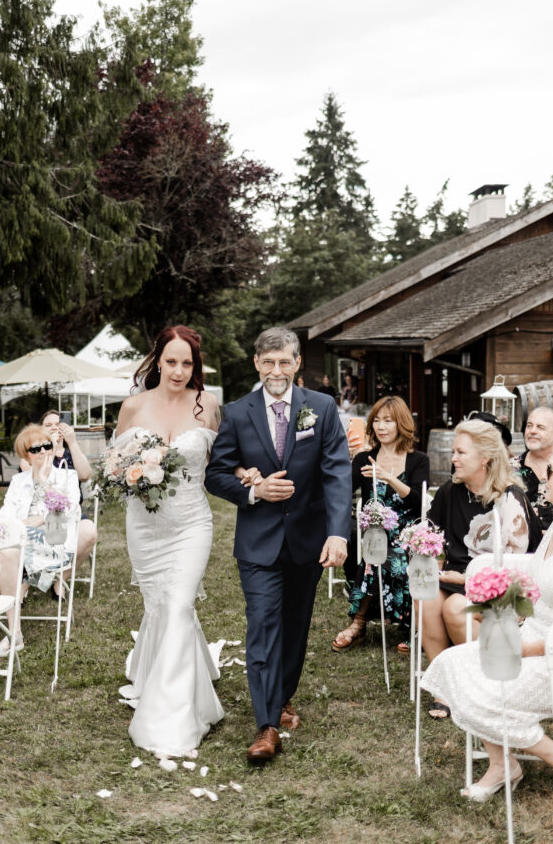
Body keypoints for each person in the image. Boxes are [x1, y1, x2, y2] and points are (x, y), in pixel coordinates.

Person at [204, 327, 351, 762]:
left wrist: (338, 532)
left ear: (297, 362)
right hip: (258, 542)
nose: (276, 370)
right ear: (256, 364)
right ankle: (267, 725)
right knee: (263, 624)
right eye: (268, 362)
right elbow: (217, 474)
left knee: (294, 626)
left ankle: (284, 694)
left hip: (307, 539)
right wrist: (253, 491)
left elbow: (337, 473)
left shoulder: (321, 409)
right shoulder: (236, 412)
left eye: (284, 361)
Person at [421, 440, 553, 799]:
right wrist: (500, 607)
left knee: (485, 687)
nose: (543, 479)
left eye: (550, 472)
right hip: (528, 634)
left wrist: (524, 648)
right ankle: (504, 766)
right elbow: (535, 585)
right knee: (454, 666)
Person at [114, 325, 223, 757]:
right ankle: (170, 675)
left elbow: (219, 465)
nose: (179, 371)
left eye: (187, 363)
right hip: (145, 526)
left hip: (192, 522)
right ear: (157, 360)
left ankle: (171, 718)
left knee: (179, 605)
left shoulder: (207, 405)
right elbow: (115, 467)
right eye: (172, 361)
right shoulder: (132, 407)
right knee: (159, 606)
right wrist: (134, 473)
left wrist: (245, 476)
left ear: (194, 367)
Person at [422, 418, 541, 719]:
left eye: (461, 453)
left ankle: (486, 683)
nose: (453, 459)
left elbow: (519, 568)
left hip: (499, 590)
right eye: (453, 452)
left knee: (454, 608)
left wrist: (465, 579)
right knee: (426, 598)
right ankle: (444, 687)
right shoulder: (450, 491)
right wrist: (434, 570)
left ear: (485, 458)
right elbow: (432, 540)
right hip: (453, 579)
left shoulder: (510, 499)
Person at [331, 397, 429, 653]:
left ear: (402, 424)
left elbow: (420, 503)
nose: (381, 426)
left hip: (409, 534)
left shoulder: (418, 460)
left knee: (388, 556)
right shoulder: (365, 458)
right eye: (376, 420)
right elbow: (342, 492)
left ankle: (387, 624)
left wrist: (388, 477)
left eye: (388, 421)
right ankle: (362, 623)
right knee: (376, 552)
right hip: (375, 532)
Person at [0, 424, 81, 657]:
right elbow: (5, 517)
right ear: (25, 454)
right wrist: (30, 522)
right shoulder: (18, 481)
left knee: (1, 549)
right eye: (35, 448)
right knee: (8, 551)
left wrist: (43, 482)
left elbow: (63, 514)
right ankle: (15, 634)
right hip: (17, 543)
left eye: (46, 446)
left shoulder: (68, 476)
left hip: (54, 544)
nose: (42, 451)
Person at [39, 410, 98, 569]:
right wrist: (49, 447)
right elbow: (37, 479)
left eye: (58, 424)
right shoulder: (33, 451)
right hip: (39, 512)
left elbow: (85, 475)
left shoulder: (71, 452)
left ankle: (62, 579)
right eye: (48, 425)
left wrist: (72, 442)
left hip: (72, 512)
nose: (54, 427)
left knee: (89, 533)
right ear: (41, 429)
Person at [510, 407, 553, 530]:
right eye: (529, 426)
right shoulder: (509, 469)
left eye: (540, 427)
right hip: (520, 548)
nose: (532, 431)